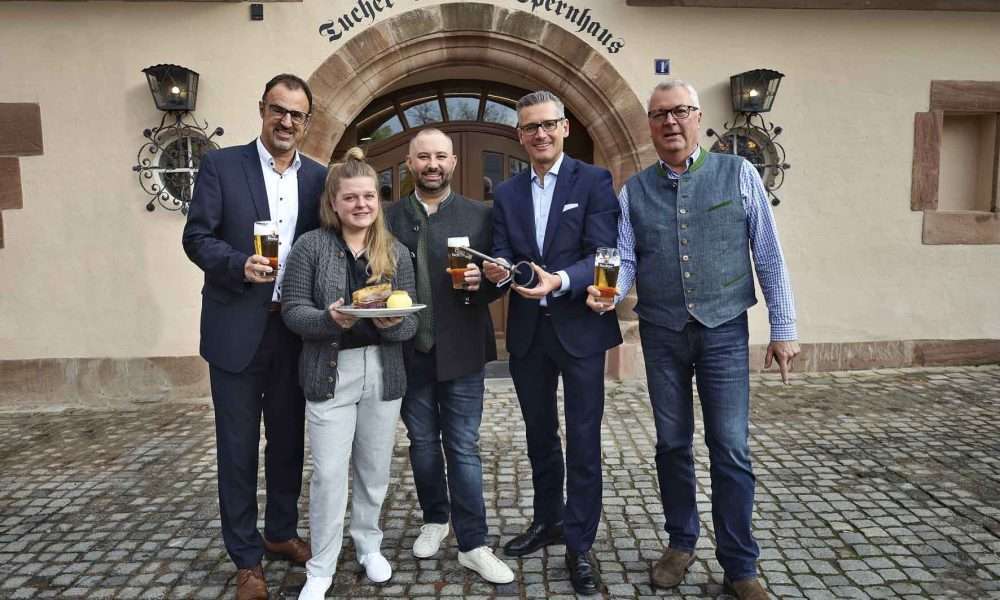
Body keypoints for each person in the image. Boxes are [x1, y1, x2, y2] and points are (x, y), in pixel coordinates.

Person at [586, 79, 800, 600]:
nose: (670, 122)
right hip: (662, 334)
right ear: (651, 125)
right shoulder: (634, 189)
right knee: (672, 445)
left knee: (729, 447)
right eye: (659, 115)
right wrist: (607, 295)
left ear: (697, 116)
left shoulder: (739, 172)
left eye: (679, 111)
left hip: (724, 330)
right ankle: (681, 542)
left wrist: (783, 328)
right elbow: (625, 257)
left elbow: (767, 254)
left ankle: (740, 565)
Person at [182, 73, 325, 600]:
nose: (286, 121)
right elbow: (196, 237)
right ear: (262, 110)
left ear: (307, 122)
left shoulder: (318, 178)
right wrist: (239, 264)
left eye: (296, 114)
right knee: (238, 449)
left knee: (289, 441)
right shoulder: (222, 165)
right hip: (236, 328)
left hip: (294, 330)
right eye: (277, 110)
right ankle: (246, 559)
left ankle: (281, 532)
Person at [483, 91, 622, 596]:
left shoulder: (594, 181)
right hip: (528, 333)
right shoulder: (508, 192)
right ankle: (549, 522)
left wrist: (560, 279)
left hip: (580, 328)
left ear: (563, 128)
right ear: (519, 135)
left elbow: (603, 251)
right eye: (529, 127)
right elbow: (501, 252)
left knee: (584, 440)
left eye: (548, 125)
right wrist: (496, 270)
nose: (539, 134)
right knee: (540, 435)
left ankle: (580, 543)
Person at [281, 147, 418, 600]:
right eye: (351, 198)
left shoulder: (395, 250)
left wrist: (395, 323)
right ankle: (320, 567)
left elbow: (414, 318)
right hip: (329, 370)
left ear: (378, 201)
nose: (362, 205)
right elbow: (292, 311)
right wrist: (329, 320)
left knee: (374, 469)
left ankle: (368, 544)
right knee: (328, 473)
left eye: (369, 197)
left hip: (382, 371)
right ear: (333, 203)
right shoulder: (310, 247)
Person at [385, 128, 514, 584]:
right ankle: (435, 519)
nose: (432, 165)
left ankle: (474, 543)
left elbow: (502, 276)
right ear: (409, 162)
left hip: (461, 351)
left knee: (462, 447)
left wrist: (489, 282)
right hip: (406, 350)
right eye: (423, 157)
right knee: (421, 445)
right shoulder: (388, 217)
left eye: (440, 157)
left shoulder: (482, 215)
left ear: (454, 163)